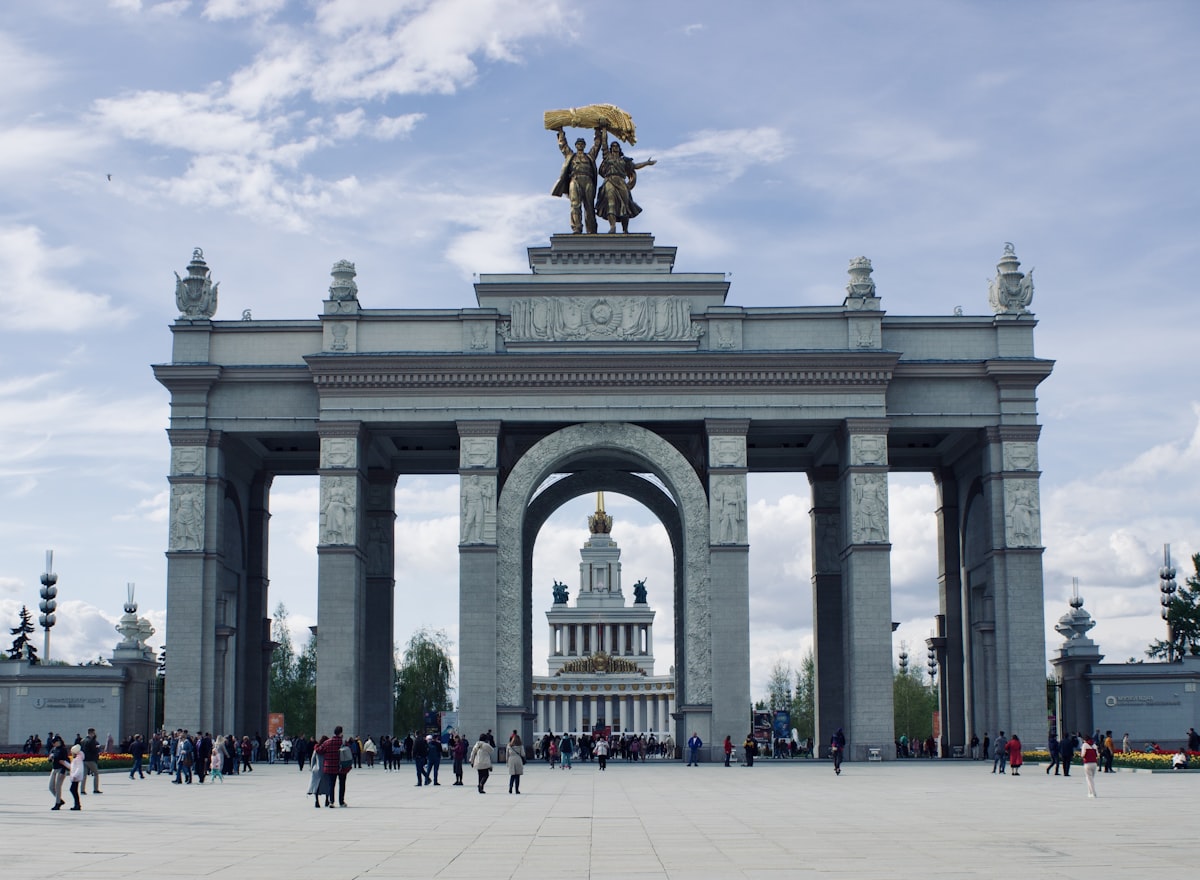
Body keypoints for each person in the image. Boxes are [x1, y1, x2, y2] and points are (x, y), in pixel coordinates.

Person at [595, 136, 657, 234]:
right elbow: (604, 144)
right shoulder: (607, 157)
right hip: (609, 181)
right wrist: (603, 129)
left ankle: (625, 229)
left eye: (617, 146)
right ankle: (612, 227)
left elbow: (635, 166)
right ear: (611, 149)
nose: (615, 147)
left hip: (621, 182)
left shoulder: (624, 160)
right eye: (613, 146)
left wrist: (647, 163)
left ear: (619, 149)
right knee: (611, 203)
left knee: (625, 205)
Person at [552, 126, 603, 234]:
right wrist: (561, 132)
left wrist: (598, 131)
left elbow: (597, 145)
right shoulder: (571, 156)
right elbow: (563, 146)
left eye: (582, 143)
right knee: (575, 205)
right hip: (575, 180)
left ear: (584, 145)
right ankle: (577, 228)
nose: (580, 145)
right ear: (576, 146)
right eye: (578, 143)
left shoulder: (589, 156)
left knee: (589, 206)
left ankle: (591, 230)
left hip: (588, 180)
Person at [314, 725, 344, 808]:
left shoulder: (328, 742)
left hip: (330, 766)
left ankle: (331, 801)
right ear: (341, 733)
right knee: (342, 784)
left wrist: (316, 746)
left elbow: (319, 750)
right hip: (341, 766)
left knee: (331, 784)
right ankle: (341, 801)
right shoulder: (343, 742)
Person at [48, 735, 69, 810]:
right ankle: (59, 800)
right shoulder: (53, 749)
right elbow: (50, 759)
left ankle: (57, 803)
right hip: (54, 769)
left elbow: (65, 761)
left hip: (61, 769)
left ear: (58, 741)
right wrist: (50, 758)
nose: (53, 744)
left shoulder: (63, 750)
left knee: (58, 786)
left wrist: (63, 771)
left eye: (54, 742)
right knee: (51, 787)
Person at [82, 728, 103, 794]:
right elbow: (94, 750)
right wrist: (97, 747)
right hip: (91, 760)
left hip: (84, 759)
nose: (94, 735)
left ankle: (82, 790)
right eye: (94, 733)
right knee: (96, 774)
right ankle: (95, 789)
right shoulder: (91, 741)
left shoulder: (82, 740)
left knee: (84, 776)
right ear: (91, 733)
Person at [67, 744, 85, 810]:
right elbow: (73, 767)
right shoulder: (78, 758)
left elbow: (79, 768)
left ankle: (77, 805)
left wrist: (74, 775)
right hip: (75, 777)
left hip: (75, 778)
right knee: (74, 790)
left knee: (73, 790)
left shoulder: (78, 759)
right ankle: (77, 804)